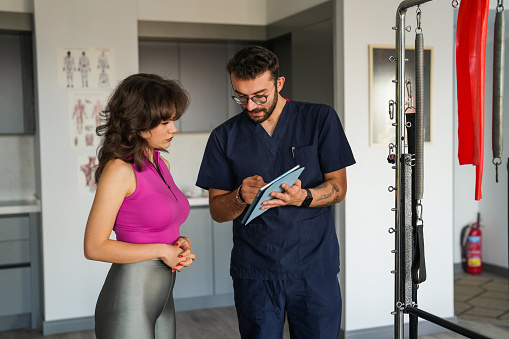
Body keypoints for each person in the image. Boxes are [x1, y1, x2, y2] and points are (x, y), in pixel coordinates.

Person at [196, 45, 355, 338]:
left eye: (260, 96)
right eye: (241, 97)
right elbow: (218, 211)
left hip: (314, 268)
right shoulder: (224, 137)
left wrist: (303, 196)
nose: (251, 105)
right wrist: (239, 197)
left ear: (279, 84)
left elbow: (338, 187)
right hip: (255, 272)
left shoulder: (319, 119)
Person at [84, 73, 196, 339]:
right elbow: (94, 246)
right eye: (165, 122)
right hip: (129, 300)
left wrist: (179, 243)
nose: (174, 129)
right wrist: (162, 250)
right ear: (138, 123)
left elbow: (157, 224)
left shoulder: (161, 164)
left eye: (174, 120)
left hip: (163, 299)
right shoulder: (119, 170)